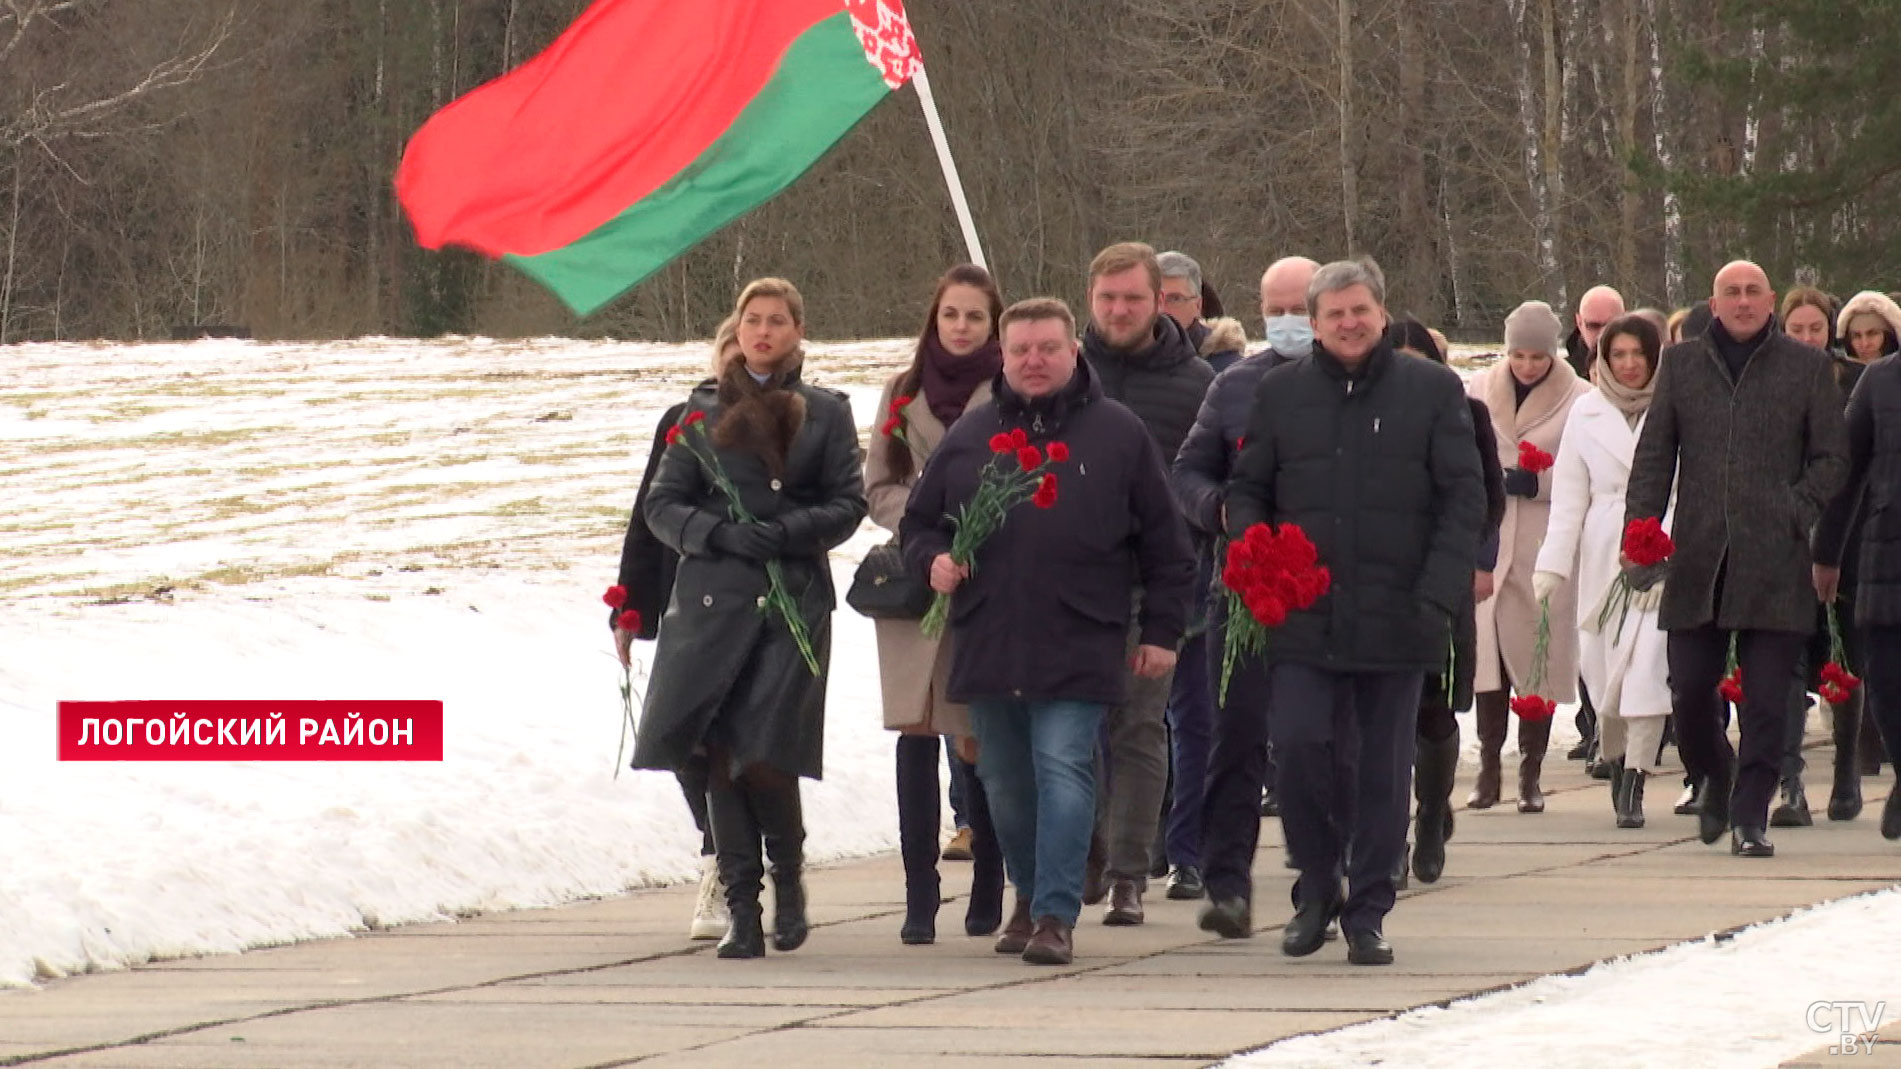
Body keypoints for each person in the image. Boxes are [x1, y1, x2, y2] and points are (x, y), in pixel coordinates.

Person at [902, 297, 1195, 966]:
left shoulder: (1118, 433)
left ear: (1073, 353)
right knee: (1003, 781)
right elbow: (919, 522)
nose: (1033, 360)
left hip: (1082, 637)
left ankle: (1056, 914)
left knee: (1063, 765)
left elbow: (1166, 546)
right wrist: (934, 561)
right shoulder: (972, 435)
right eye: (1020, 350)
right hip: (990, 638)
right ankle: (1030, 897)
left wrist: (1161, 630)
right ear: (1002, 357)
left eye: (1047, 348)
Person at [1225, 258, 1485, 965]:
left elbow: (1464, 499)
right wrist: (1253, 548)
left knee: (1380, 768)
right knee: (1302, 749)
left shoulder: (1431, 390)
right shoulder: (1280, 394)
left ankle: (1367, 907)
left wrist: (1436, 591)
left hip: (1398, 615)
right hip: (1301, 615)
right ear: (1312, 323)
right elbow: (1247, 488)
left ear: (1380, 311)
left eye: (1359, 310)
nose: (1348, 322)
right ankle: (1316, 885)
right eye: (1334, 312)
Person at [635, 277, 868, 957]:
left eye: (776, 321)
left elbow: (846, 501)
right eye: (751, 321)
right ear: (736, 332)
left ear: (798, 329)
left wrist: (788, 530)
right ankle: (742, 907)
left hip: (789, 599)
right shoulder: (698, 411)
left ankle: (788, 882)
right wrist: (717, 534)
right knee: (714, 753)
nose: (762, 332)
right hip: (712, 600)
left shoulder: (824, 411)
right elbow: (662, 503)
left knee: (764, 754)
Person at [1625, 260, 1848, 858]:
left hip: (1776, 559)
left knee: (1770, 697)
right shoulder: (1682, 364)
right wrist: (1640, 534)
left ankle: (1751, 815)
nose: (1743, 302)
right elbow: (1653, 459)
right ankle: (1714, 774)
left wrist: (1794, 510)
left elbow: (1832, 458)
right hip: (1699, 556)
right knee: (1691, 691)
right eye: (1732, 293)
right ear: (1714, 301)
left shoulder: (1804, 367)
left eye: (1753, 292)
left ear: (1770, 301)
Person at [1170, 254, 1319, 935]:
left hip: (1324, 594)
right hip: (1242, 594)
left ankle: (1321, 870)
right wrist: (1217, 510)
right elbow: (1190, 469)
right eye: (1276, 308)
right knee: (1234, 741)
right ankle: (1225, 881)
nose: (1287, 321)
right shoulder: (1233, 388)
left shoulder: (1353, 387)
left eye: (1300, 308)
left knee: (1315, 741)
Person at [864, 264, 1008, 945]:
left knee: (975, 732)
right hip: (917, 580)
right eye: (949, 314)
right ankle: (919, 893)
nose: (959, 327)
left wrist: (975, 529)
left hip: (989, 578)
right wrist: (923, 531)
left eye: (973, 316)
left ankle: (988, 876)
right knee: (916, 728)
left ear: (992, 323)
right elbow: (880, 483)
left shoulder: (1007, 387)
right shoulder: (902, 389)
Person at [1078, 242, 1215, 926]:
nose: (1118, 310)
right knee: (1071, 730)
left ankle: (1130, 868)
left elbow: (1205, 479)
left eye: (1132, 297)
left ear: (1157, 299)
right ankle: (1084, 854)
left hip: (1151, 585)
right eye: (1106, 298)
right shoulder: (1063, 374)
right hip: (1066, 588)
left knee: (1137, 728)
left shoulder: (1195, 383)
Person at [611, 320, 737, 942]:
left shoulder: (804, 416)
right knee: (685, 737)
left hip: (764, 610)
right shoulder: (680, 421)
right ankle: (720, 856)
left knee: (746, 746)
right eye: (733, 344)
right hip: (689, 608)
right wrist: (630, 606)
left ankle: (751, 864)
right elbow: (647, 516)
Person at [1533, 315, 1673, 828]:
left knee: (1647, 666)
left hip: (1663, 540)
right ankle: (1615, 760)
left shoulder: (1672, 406)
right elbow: (1569, 497)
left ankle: (1636, 774)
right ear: (1603, 360)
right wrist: (1552, 564)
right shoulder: (1585, 414)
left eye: (1639, 354)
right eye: (1619, 355)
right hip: (1602, 547)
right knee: (1602, 665)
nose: (1630, 364)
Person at [1390, 317, 1506, 882]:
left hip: (1441, 582)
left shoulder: (1468, 414)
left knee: (1434, 710)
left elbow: (1488, 499)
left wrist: (1457, 555)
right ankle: (1383, 838)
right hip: (1376, 584)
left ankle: (1432, 813)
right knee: (1383, 717)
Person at [1466, 301, 1591, 814]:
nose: (1526, 365)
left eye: (1536, 356)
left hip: (1543, 540)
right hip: (1491, 538)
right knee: (1488, 659)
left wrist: (1538, 481)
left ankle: (1531, 773)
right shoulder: (1478, 390)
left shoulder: (1579, 398)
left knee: (1535, 657)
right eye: (1518, 354)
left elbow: (1586, 469)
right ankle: (1489, 766)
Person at [1809, 291, 1901, 822]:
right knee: (1886, 682)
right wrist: (1826, 553)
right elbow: (1844, 473)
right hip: (1885, 557)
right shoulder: (1879, 381)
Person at [1767, 286, 1844, 827]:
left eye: (1816, 328)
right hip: (1785, 542)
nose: (1808, 338)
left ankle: (1847, 771)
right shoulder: (1768, 384)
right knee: (1786, 666)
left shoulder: (1854, 384)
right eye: (1798, 329)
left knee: (1843, 660)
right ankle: (1788, 781)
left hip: (1845, 540)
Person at [1158, 250, 1249, 374]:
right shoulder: (1126, 363)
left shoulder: (1229, 371)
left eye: (1175, 299)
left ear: (1197, 305)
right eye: (1155, 298)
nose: (1162, 309)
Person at [1564, 285, 1627, 379]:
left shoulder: (1645, 371)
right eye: (1593, 326)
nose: (1602, 334)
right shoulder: (1563, 378)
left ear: (1626, 320)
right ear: (1579, 323)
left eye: (1611, 325)